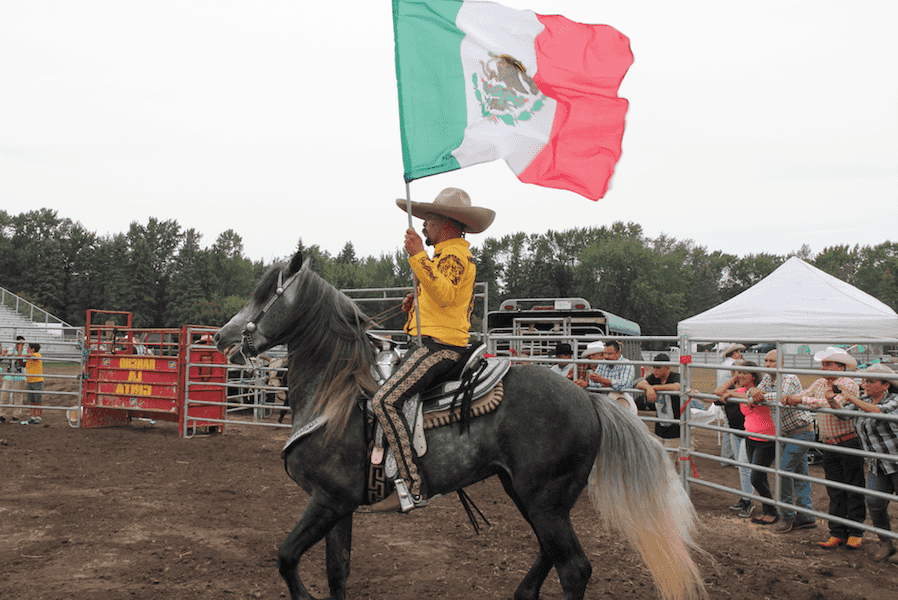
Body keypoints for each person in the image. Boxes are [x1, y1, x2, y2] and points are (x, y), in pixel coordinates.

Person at [370, 188, 495, 513]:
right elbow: (441, 297)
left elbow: (444, 295)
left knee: (384, 401)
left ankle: (413, 487)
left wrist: (416, 255)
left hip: (440, 348)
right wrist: (417, 302)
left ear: (447, 224)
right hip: (434, 341)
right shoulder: (445, 256)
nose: (423, 227)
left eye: (429, 220)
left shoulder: (452, 256)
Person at [783, 347, 864, 549]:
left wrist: (800, 399)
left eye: (828, 364)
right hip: (829, 443)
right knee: (835, 489)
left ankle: (855, 531)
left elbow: (829, 404)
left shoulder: (847, 384)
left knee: (852, 488)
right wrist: (795, 397)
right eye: (823, 363)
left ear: (841, 367)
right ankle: (837, 532)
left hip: (847, 442)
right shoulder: (820, 383)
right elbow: (806, 394)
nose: (823, 367)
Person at [829, 363, 898, 562]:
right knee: (874, 503)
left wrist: (850, 397)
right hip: (878, 463)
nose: (865, 385)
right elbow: (842, 414)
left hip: (895, 460)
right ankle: (886, 543)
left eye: (870, 381)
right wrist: (832, 400)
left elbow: (879, 411)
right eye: (865, 381)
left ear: (886, 385)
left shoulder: (895, 400)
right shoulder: (863, 399)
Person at [747, 349, 816, 533]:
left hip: (801, 431)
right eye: (766, 361)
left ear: (782, 363)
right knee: (800, 473)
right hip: (787, 432)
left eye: (772, 361)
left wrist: (757, 395)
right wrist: (753, 391)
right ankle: (806, 515)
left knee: (783, 471)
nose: (768, 364)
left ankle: (787, 516)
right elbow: (753, 395)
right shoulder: (769, 379)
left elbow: (780, 397)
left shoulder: (789, 378)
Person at [713, 363, 755, 518]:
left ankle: (749, 500)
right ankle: (746, 498)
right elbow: (717, 392)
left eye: (743, 372)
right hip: (735, 432)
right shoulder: (731, 391)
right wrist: (734, 379)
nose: (739, 375)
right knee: (741, 467)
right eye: (736, 372)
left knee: (745, 467)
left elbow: (749, 396)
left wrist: (731, 392)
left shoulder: (750, 390)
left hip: (748, 433)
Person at [575, 339, 637, 414]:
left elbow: (624, 384)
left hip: (623, 399)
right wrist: (590, 383)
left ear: (618, 353)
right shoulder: (603, 363)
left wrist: (601, 381)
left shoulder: (627, 364)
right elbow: (594, 382)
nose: (606, 356)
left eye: (610, 354)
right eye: (605, 353)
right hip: (605, 400)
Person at [635, 353, 682, 449]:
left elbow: (677, 386)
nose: (655, 370)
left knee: (671, 457)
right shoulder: (654, 377)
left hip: (676, 430)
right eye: (654, 367)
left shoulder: (675, 376)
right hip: (660, 428)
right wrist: (648, 387)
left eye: (658, 368)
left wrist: (653, 388)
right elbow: (639, 384)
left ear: (667, 367)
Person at [717, 343, 746, 463]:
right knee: (734, 427)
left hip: (725, 394)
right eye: (739, 352)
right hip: (731, 395)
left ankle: (727, 456)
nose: (740, 354)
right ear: (735, 353)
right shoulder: (734, 365)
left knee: (729, 425)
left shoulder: (723, 364)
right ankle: (734, 457)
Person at [1, 336, 28, 423]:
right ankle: (1, 415)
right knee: (4, 395)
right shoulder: (10, 350)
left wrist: (18, 351)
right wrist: (3, 354)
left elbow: (22, 363)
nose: (20, 345)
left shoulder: (25, 352)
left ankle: (16, 416)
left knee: (18, 397)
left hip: (20, 377)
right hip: (8, 376)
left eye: (22, 343)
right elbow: (1, 358)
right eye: (19, 343)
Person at [21, 343, 44, 425]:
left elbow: (33, 356)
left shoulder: (37, 354)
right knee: (32, 400)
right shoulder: (28, 357)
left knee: (39, 400)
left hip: (37, 381)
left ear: (32, 349)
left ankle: (38, 416)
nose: (27, 349)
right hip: (30, 381)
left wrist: (25, 355)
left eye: (28, 348)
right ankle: (32, 416)